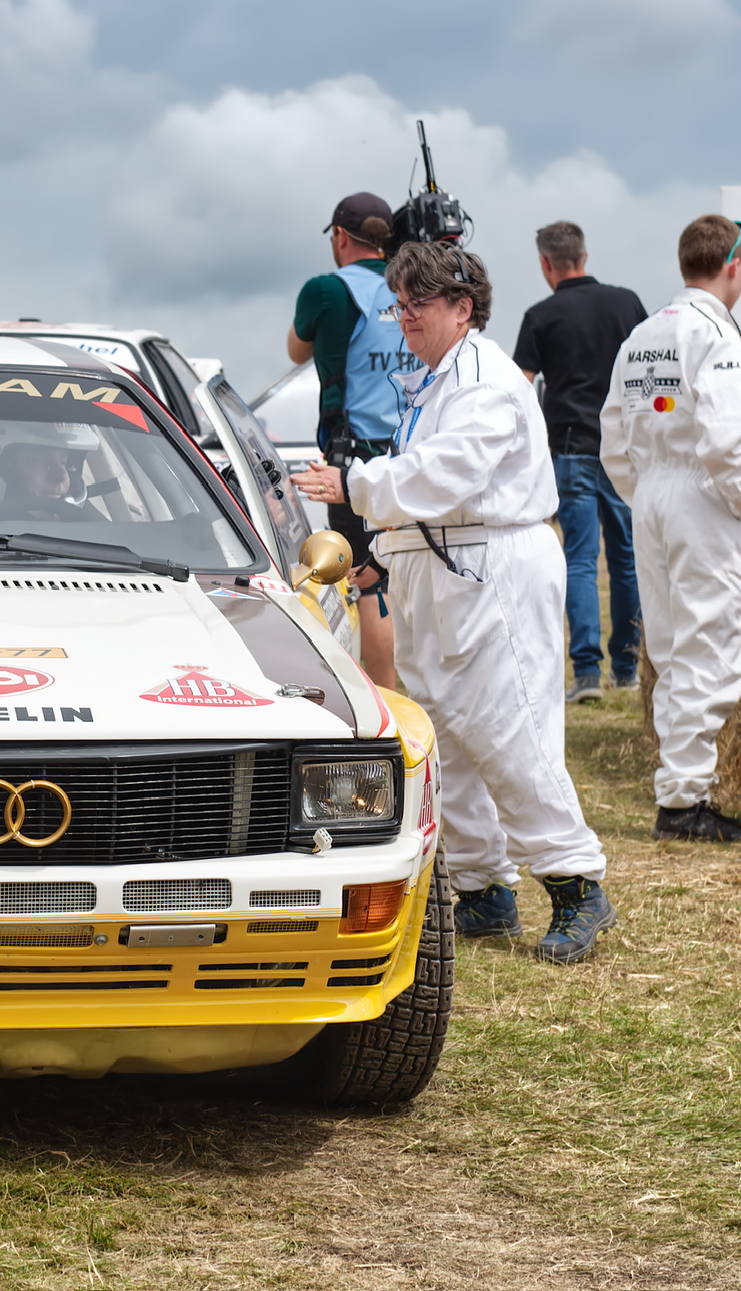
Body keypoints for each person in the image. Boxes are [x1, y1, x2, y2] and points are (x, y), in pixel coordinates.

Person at [294, 241, 615, 964]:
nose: (403, 316)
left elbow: (447, 478)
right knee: (448, 730)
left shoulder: (484, 382)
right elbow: (427, 495)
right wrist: (383, 554)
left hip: (491, 569)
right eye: (399, 304)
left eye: (418, 303)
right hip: (444, 568)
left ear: (462, 308)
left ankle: (575, 881)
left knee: (507, 725)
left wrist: (355, 486)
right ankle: (482, 888)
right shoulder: (435, 381)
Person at [599, 214, 741, 844]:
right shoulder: (717, 336)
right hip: (700, 494)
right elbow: (723, 440)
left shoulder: (643, 334)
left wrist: (643, 494)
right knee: (709, 642)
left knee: (670, 646)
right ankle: (686, 800)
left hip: (653, 495)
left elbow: (612, 438)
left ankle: (678, 786)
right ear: (734, 265)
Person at [512, 221, 648, 704]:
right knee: (628, 559)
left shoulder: (539, 316)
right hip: (624, 449)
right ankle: (629, 667)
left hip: (570, 448)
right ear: (584, 255)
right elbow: (647, 370)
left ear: (546, 264)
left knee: (580, 560)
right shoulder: (627, 303)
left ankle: (587, 673)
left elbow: (518, 387)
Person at [286, 192, 413, 689]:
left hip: (355, 459)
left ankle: (383, 699)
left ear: (340, 237)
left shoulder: (327, 291)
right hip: (414, 450)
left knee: (368, 582)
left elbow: (296, 350)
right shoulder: (413, 287)